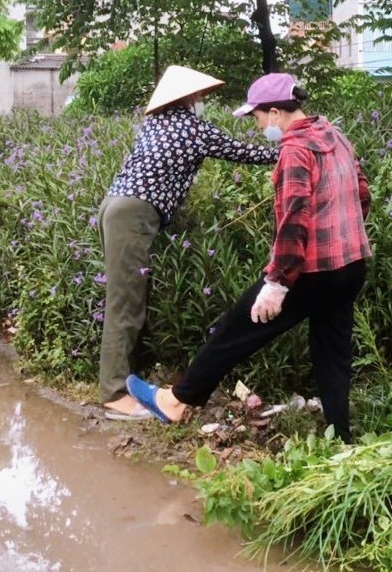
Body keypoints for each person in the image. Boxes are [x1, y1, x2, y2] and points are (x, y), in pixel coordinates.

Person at [125, 73, 371, 442]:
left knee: (235, 330)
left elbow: (293, 222)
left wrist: (277, 283)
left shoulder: (295, 151)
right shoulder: (334, 135)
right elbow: (362, 192)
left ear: (275, 113)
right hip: (351, 265)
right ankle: (342, 438)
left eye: (257, 118)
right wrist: (342, 235)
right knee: (332, 352)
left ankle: (176, 400)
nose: (257, 126)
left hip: (312, 271)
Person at [98, 65, 279, 422]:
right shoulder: (191, 128)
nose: (201, 102)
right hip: (133, 214)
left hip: (117, 208)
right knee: (126, 302)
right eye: (198, 97)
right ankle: (115, 394)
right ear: (186, 99)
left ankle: (129, 381)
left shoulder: (156, 123)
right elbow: (246, 153)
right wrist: (294, 148)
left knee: (131, 296)